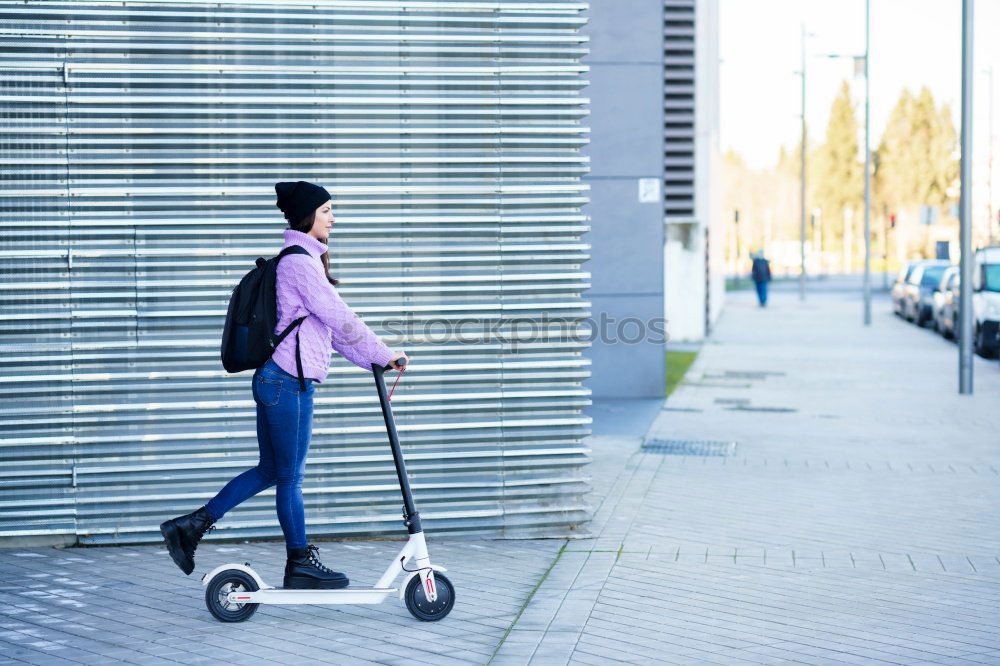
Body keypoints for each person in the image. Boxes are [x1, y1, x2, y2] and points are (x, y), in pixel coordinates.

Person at [160, 180, 407, 589]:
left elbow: (334, 332)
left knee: (272, 470)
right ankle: (299, 562)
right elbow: (341, 317)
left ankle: (191, 526)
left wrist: (374, 360)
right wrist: (385, 353)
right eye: (327, 210)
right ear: (308, 215)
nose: (333, 217)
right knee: (288, 476)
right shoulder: (300, 264)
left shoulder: (303, 261)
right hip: (286, 383)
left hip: (278, 381)